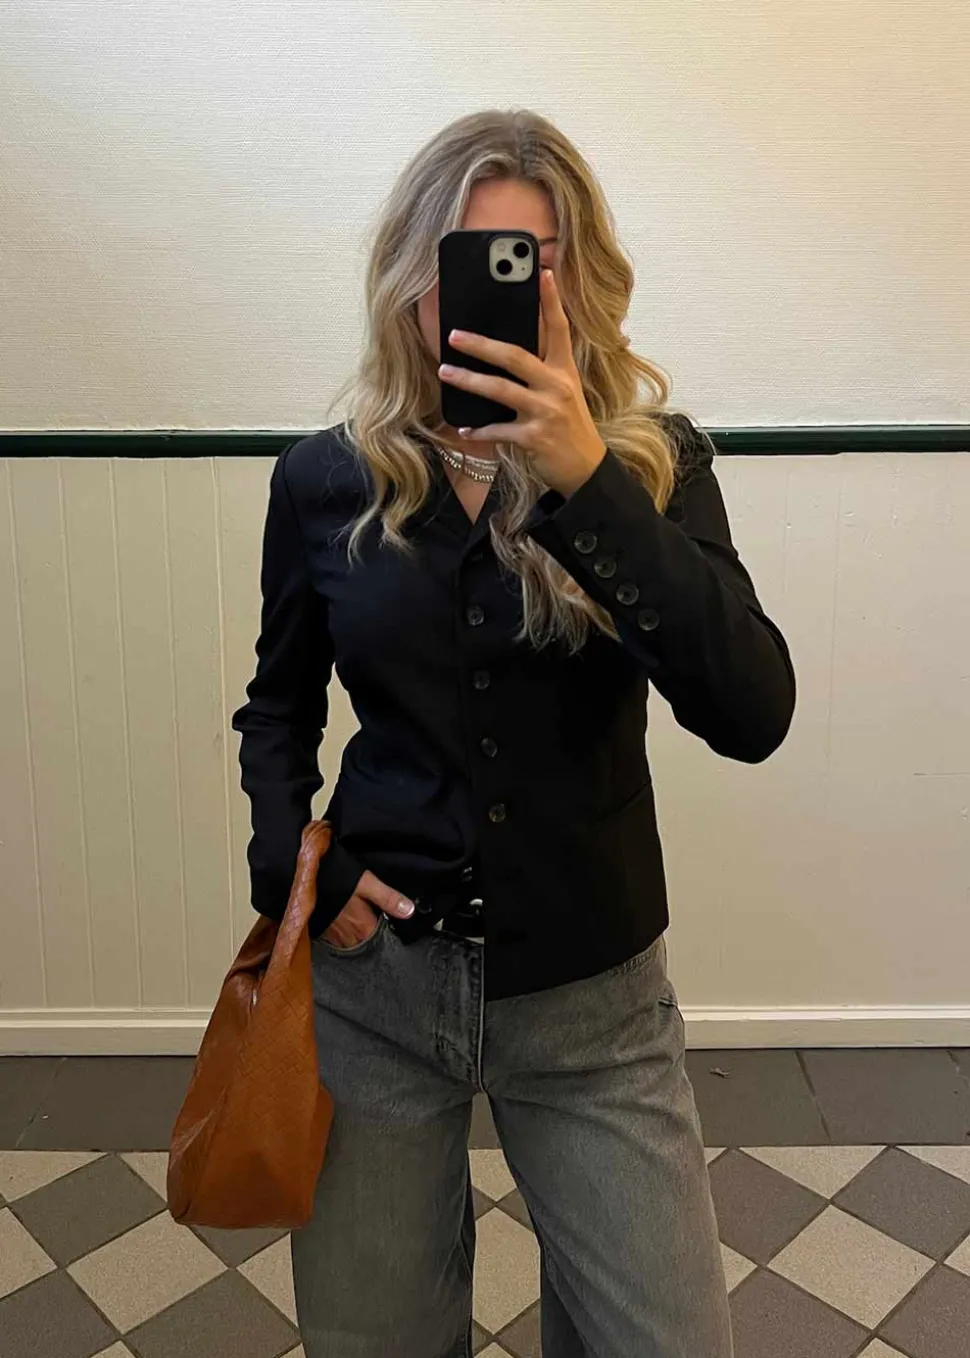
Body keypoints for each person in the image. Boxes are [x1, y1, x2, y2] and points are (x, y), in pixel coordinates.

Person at [231, 108, 795, 1358]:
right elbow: (278, 707)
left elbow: (753, 710)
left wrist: (585, 476)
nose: (498, 289)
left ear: (573, 279)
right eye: (468, 258)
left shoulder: (652, 465)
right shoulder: (326, 478)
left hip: (594, 1002)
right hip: (378, 984)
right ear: (410, 277)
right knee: (372, 1339)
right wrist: (291, 871)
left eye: (531, 259)